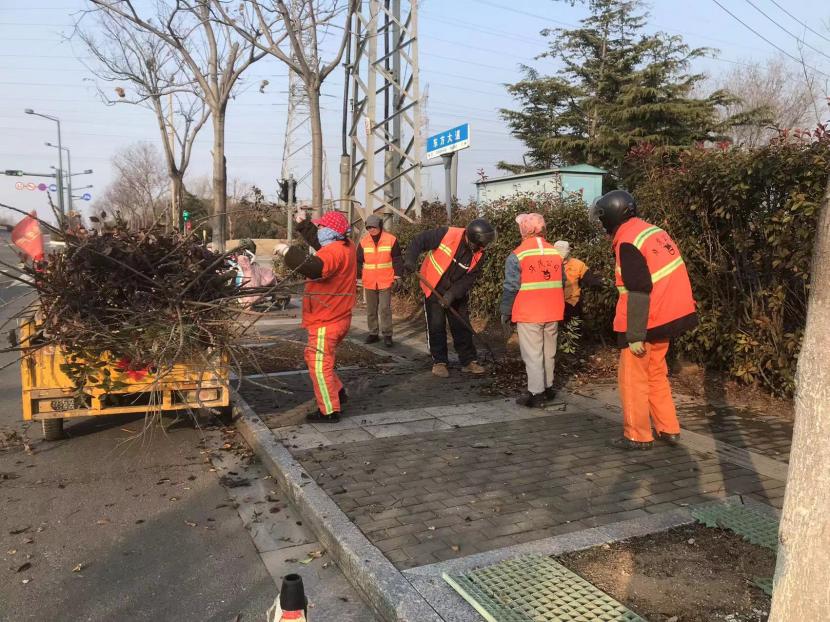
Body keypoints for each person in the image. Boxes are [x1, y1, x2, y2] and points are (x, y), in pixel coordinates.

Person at [591, 190, 697, 450]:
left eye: (602, 218)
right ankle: (668, 428)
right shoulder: (653, 232)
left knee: (633, 380)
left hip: (645, 321)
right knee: (656, 374)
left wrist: (635, 334)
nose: (602, 223)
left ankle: (637, 435)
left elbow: (638, 289)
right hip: (669, 316)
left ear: (612, 216)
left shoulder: (628, 241)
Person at [279, 209, 357, 423]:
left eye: (321, 226)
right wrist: (303, 223)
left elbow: (313, 267)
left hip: (326, 319)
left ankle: (329, 410)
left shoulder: (332, 253)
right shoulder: (346, 246)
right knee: (315, 358)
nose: (319, 229)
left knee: (319, 365)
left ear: (331, 231)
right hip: (339, 316)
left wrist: (287, 252)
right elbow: (319, 242)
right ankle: (337, 391)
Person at [404, 218, 496, 378]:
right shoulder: (447, 234)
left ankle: (468, 361)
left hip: (455, 292)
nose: (484, 247)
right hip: (433, 285)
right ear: (473, 239)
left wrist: (452, 294)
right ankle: (439, 362)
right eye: (483, 243)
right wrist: (410, 259)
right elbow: (420, 240)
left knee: (462, 325)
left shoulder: (479, 255)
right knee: (436, 325)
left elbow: (469, 279)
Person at [500, 213, 565, 408]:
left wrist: (506, 311)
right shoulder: (555, 252)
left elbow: (511, 287)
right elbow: (562, 281)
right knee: (549, 352)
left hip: (529, 312)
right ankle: (548, 387)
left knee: (533, 354)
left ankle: (536, 394)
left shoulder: (518, 255)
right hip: (553, 310)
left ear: (523, 230)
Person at [357, 214, 403, 347]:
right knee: (371, 309)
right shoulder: (364, 242)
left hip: (385, 280)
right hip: (369, 281)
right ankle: (373, 333)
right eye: (368, 227)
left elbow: (397, 259)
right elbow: (358, 261)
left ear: (380, 226)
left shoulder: (391, 240)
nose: (371, 229)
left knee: (384, 309)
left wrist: (398, 276)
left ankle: (387, 335)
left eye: (373, 227)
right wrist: (357, 277)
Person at [553, 240, 602, 322]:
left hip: (572, 303)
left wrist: (599, 283)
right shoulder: (549, 264)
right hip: (554, 304)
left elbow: (589, 278)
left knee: (573, 326)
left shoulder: (578, 264)